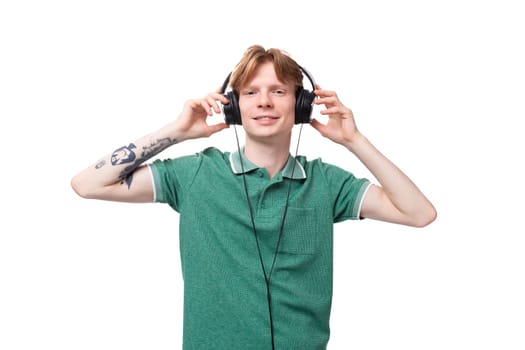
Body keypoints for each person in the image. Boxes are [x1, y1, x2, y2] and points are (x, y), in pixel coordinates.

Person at [71, 45, 436, 350]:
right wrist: (177, 132)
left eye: (278, 91)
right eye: (250, 92)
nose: (264, 102)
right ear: (233, 106)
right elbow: (89, 184)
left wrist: (355, 141)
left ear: (301, 105)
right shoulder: (196, 174)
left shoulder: (326, 183)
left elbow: (419, 213)